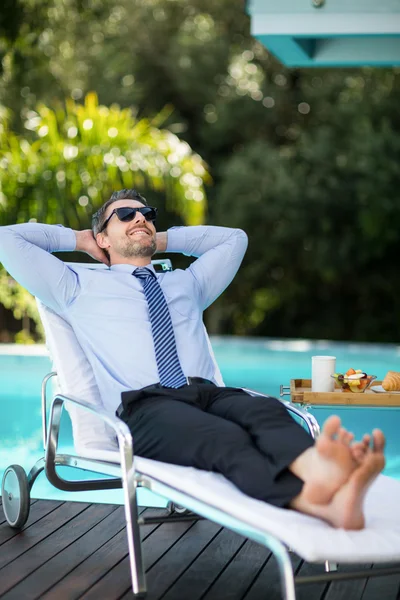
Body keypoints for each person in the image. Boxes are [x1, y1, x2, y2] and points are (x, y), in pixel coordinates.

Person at [0, 188, 385, 530]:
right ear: (103, 236)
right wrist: (79, 239)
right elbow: (7, 239)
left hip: (209, 395)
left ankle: (322, 476)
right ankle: (321, 506)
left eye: (147, 215)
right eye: (125, 214)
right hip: (146, 407)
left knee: (266, 412)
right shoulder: (75, 285)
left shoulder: (188, 282)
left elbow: (234, 240)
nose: (140, 218)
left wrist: (157, 239)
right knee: (224, 438)